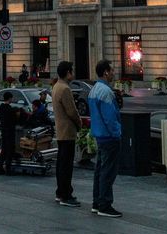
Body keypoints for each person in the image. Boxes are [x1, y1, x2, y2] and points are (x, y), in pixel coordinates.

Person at [88, 60, 122, 218]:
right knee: (108, 172)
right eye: (112, 70)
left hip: (99, 135)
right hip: (109, 137)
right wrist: (117, 133)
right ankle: (105, 204)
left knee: (100, 171)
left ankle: (97, 202)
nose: (114, 73)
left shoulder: (94, 89)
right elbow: (110, 118)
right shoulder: (106, 92)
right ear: (106, 72)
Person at [52, 61, 81, 207]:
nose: (73, 74)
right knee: (66, 165)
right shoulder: (65, 89)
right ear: (68, 73)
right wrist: (79, 123)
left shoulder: (56, 86)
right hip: (67, 131)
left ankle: (60, 192)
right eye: (72, 71)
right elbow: (72, 112)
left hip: (60, 131)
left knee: (61, 163)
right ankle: (65, 194)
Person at [0, 91, 19, 175]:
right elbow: (15, 120)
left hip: (3, 130)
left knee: (3, 150)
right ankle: (8, 169)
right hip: (10, 131)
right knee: (10, 150)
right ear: (9, 98)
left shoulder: (1, 108)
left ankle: (0, 168)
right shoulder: (10, 109)